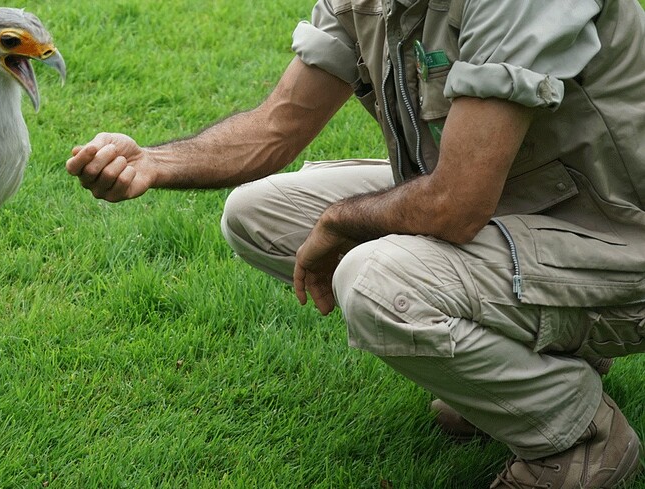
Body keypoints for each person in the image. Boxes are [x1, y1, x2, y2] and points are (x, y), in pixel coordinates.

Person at [65, 0, 645, 486]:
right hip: (512, 209)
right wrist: (154, 162)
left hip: (616, 241)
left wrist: (342, 224)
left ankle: (579, 438)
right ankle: (533, 372)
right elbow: (276, 127)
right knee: (257, 214)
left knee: (373, 279)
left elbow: (456, 201)